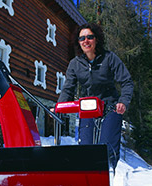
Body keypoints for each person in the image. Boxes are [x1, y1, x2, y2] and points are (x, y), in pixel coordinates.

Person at [56, 23, 134, 169]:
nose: (86, 41)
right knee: (85, 147)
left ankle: (108, 173)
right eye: (82, 38)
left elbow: (126, 82)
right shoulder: (75, 64)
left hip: (110, 105)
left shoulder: (109, 58)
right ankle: (88, 179)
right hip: (88, 106)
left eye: (89, 37)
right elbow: (68, 88)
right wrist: (60, 107)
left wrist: (123, 102)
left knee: (107, 146)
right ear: (78, 43)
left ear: (96, 39)